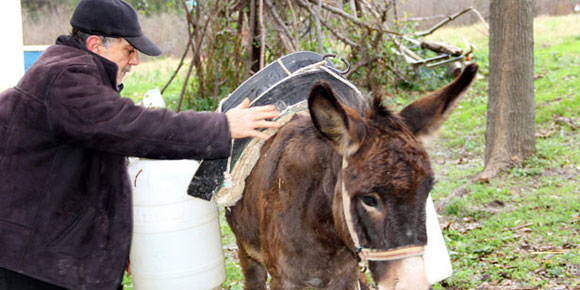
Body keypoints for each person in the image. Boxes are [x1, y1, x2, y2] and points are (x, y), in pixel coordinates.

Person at [0, 0, 280, 289]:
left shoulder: (67, 73)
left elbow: (101, 159)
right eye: (129, 50)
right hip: (34, 264)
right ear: (96, 45)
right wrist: (221, 127)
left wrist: (115, 243)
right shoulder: (66, 78)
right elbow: (132, 126)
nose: (135, 61)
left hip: (47, 253)